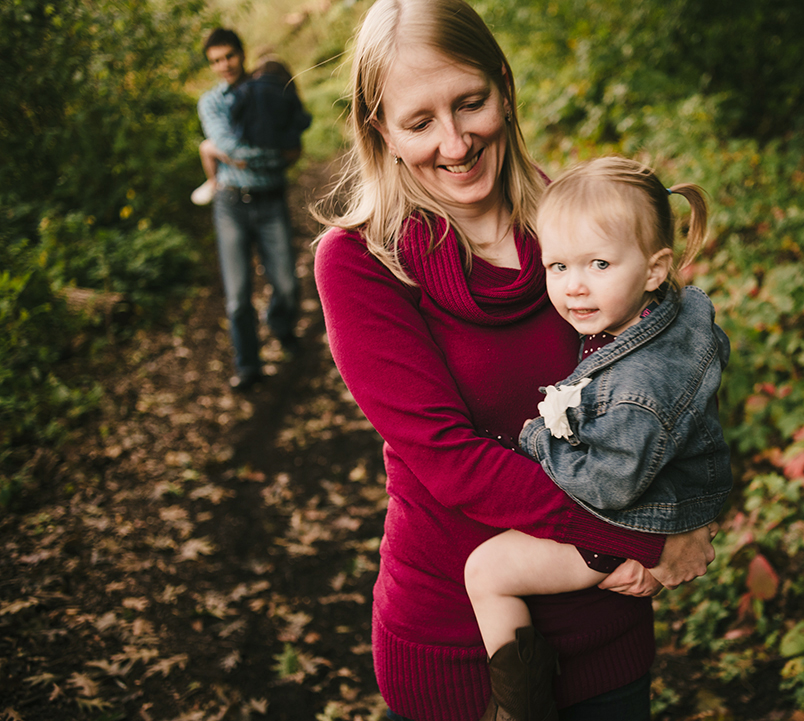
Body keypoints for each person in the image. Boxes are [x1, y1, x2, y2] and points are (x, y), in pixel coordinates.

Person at [313, 1, 719, 720]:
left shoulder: (575, 225)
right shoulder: (360, 262)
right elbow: (450, 459)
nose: (455, 142)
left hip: (604, 627)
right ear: (380, 128)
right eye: (419, 121)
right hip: (457, 644)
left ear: (504, 85)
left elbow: (664, 383)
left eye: (471, 103)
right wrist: (649, 533)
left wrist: (688, 505)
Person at [463, 157, 733, 719]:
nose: (574, 287)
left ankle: (519, 711)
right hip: (663, 499)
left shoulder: (637, 388)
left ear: (655, 269)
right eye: (557, 266)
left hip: (632, 515)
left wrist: (539, 440)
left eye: (599, 264)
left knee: (486, 571)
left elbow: (608, 484)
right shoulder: (669, 317)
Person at [197, 28, 305, 390]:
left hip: (271, 200)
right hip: (231, 204)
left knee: (287, 285)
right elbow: (233, 149)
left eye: (228, 56)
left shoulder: (270, 89)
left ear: (241, 54)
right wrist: (273, 156)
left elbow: (294, 143)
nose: (223, 65)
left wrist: (225, 153)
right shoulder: (211, 102)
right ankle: (248, 365)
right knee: (238, 296)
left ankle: (281, 326)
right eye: (215, 60)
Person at [191, 55, 312, 205]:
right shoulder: (288, 97)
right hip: (278, 156)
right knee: (208, 148)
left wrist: (242, 158)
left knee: (206, 147)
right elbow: (303, 124)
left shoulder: (250, 93)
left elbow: (237, 120)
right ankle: (213, 183)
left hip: (254, 157)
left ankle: (212, 183)